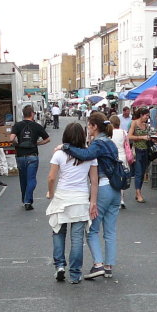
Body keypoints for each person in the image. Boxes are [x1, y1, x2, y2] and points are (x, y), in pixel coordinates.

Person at [62, 112, 122, 280]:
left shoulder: (98, 143)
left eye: (89, 125)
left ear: (94, 127)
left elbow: (86, 156)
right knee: (110, 231)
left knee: (92, 230)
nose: (87, 128)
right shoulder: (110, 142)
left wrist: (65, 147)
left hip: (102, 188)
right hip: (116, 190)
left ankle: (98, 264)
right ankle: (109, 266)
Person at [46, 122, 98, 284]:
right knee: (77, 239)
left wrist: (51, 192)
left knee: (58, 232)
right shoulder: (90, 156)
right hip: (81, 199)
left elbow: (52, 177)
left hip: (62, 197)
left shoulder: (59, 154)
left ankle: (60, 266)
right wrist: (93, 202)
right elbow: (94, 181)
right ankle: (75, 274)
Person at [10, 105, 51, 210]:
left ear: (23, 114)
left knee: (23, 179)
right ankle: (28, 201)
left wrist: (17, 144)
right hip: (32, 156)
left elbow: (11, 138)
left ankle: (25, 200)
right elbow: (47, 139)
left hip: (20, 156)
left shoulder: (17, 125)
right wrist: (38, 143)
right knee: (31, 179)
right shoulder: (37, 126)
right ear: (32, 114)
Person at [128, 107, 152, 203]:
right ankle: (138, 194)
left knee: (142, 173)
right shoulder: (134, 123)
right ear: (141, 115)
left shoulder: (146, 125)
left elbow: (148, 136)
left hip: (145, 151)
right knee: (138, 172)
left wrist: (152, 138)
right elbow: (129, 136)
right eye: (146, 116)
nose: (147, 118)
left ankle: (138, 191)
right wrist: (142, 137)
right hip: (137, 151)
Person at [109, 114, 129, 209]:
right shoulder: (124, 132)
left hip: (112, 157)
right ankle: (121, 199)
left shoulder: (109, 133)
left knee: (111, 178)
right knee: (121, 178)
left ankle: (113, 199)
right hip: (122, 156)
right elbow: (127, 145)